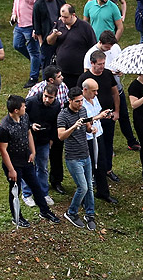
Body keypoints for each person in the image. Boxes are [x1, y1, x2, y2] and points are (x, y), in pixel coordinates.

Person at [0, 94, 59, 227]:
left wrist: (33, 151)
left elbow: (29, 133)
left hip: (26, 159)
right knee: (15, 191)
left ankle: (45, 210)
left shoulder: (24, 117)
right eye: (23, 107)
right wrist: (11, 170)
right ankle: (17, 217)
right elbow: (3, 150)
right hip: (14, 163)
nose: (25, 108)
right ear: (16, 110)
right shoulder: (4, 127)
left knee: (35, 185)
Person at [86, 30, 140, 152]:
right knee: (104, 121)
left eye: (111, 46)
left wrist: (120, 70)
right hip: (101, 94)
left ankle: (131, 141)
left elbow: (121, 61)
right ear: (100, 43)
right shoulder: (91, 54)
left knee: (124, 116)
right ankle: (106, 147)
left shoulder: (115, 47)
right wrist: (108, 73)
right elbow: (87, 74)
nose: (109, 49)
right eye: (107, 47)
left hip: (117, 88)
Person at [78, 49, 120, 192]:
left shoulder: (107, 75)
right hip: (90, 132)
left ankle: (106, 172)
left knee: (106, 148)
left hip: (103, 123)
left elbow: (115, 93)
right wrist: (98, 117)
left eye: (104, 63)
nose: (102, 66)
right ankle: (92, 179)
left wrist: (114, 112)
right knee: (92, 157)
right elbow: (82, 118)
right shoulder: (84, 81)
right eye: (100, 64)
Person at [57, 86, 97, 228]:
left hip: (85, 154)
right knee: (83, 187)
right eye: (77, 102)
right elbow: (61, 136)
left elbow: (87, 127)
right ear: (69, 101)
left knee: (89, 186)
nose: (80, 104)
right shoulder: (63, 115)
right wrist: (73, 126)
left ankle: (90, 214)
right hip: (73, 157)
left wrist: (91, 128)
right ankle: (71, 212)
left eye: (81, 101)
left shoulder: (83, 110)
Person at [27, 65, 68, 193]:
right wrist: (31, 124)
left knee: (56, 156)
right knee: (34, 160)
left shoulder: (63, 87)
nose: (62, 78)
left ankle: (56, 181)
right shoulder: (36, 90)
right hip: (37, 130)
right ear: (51, 80)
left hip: (54, 126)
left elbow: (65, 104)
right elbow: (27, 110)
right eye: (59, 76)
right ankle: (31, 187)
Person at [25, 76, 62, 202]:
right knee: (29, 166)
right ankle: (27, 193)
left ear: (55, 97)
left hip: (44, 140)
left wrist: (52, 139)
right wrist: (31, 125)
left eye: (50, 98)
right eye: (45, 96)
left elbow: (55, 124)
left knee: (43, 167)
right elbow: (22, 118)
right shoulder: (31, 102)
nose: (47, 99)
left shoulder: (56, 106)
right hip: (29, 139)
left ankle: (43, 193)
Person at [79, 77, 115, 203]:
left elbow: (97, 112)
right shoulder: (81, 103)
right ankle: (84, 197)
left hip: (98, 134)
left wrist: (104, 114)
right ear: (85, 90)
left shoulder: (94, 99)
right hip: (87, 138)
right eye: (93, 91)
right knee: (88, 167)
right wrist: (97, 117)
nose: (96, 93)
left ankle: (103, 192)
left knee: (101, 164)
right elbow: (83, 121)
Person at [48, 3, 95, 86]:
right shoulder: (59, 24)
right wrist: (54, 35)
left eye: (66, 17)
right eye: (61, 16)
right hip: (61, 71)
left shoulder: (85, 27)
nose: (63, 19)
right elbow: (49, 41)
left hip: (78, 72)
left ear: (73, 15)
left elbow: (93, 48)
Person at [10, 0, 42, 88]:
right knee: (17, 45)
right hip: (19, 25)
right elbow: (16, 3)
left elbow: (37, 7)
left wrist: (36, 28)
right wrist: (14, 14)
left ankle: (33, 77)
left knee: (33, 52)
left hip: (30, 25)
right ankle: (38, 64)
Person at [32, 0, 61, 70]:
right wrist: (41, 43)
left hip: (60, 38)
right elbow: (37, 25)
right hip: (46, 40)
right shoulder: (38, 4)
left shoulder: (60, 2)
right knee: (47, 65)